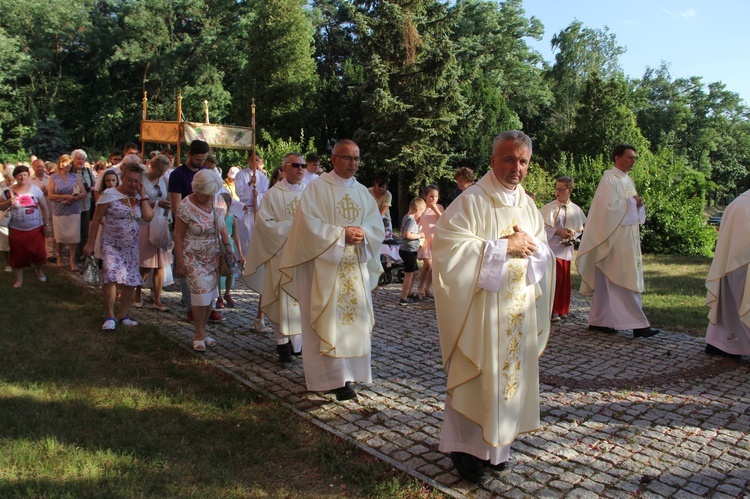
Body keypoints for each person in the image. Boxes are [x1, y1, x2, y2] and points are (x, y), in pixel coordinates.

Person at [432, 131, 554, 483]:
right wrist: (501, 248)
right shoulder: (472, 201)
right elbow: (447, 248)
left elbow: (543, 250)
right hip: (481, 313)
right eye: (509, 159)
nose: (516, 167)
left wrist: (533, 247)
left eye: (523, 161)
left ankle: (496, 449)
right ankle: (463, 447)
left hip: (516, 310)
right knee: (479, 377)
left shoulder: (529, 205)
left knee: (508, 382)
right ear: (492, 161)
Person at [279, 139, 384, 401]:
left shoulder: (362, 192)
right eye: (348, 158)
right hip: (325, 269)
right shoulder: (316, 189)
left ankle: (352, 374)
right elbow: (306, 227)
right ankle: (331, 379)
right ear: (334, 159)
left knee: (352, 321)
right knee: (327, 320)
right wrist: (340, 235)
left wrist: (364, 232)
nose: (353, 164)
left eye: (357, 158)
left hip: (354, 268)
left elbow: (375, 224)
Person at [576, 144, 662, 338]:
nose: (633, 161)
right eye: (630, 157)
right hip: (613, 239)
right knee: (621, 278)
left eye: (634, 158)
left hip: (626, 238)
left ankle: (599, 320)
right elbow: (607, 210)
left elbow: (627, 208)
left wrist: (637, 204)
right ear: (617, 158)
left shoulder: (627, 179)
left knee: (608, 281)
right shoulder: (609, 179)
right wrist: (632, 203)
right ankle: (638, 324)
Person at [244, 153, 307, 363]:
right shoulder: (273, 194)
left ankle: (298, 346)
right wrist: (294, 228)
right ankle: (282, 345)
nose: (301, 169)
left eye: (303, 165)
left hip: (303, 256)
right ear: (285, 168)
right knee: (281, 301)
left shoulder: (309, 193)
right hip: (279, 255)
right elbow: (265, 225)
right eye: (296, 165)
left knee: (301, 300)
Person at [84, 159, 154, 330]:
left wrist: (143, 195)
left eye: (137, 181)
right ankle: (109, 316)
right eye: (130, 180)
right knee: (111, 275)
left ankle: (123, 314)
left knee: (130, 279)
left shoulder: (138, 198)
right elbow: (96, 220)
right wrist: (90, 243)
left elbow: (148, 217)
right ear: (123, 178)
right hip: (111, 243)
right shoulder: (109, 194)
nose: (133, 184)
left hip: (131, 245)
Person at [173, 170, 236, 352]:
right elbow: (178, 237)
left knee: (210, 296)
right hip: (192, 254)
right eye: (204, 194)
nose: (207, 198)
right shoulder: (185, 206)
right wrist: (179, 262)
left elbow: (222, 225)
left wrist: (227, 244)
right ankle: (198, 334)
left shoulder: (218, 201)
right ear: (196, 188)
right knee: (200, 294)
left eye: (210, 194)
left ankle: (204, 331)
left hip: (214, 254)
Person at [168, 139, 223, 323]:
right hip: (189, 226)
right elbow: (176, 206)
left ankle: (208, 307)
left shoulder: (205, 173)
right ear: (190, 155)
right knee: (190, 278)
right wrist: (192, 215)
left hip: (208, 239)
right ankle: (191, 306)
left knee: (208, 284)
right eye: (198, 160)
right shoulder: (178, 175)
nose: (201, 163)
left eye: (204, 160)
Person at [704, 189, 750, 358]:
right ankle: (724, 344)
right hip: (742, 263)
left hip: (732, 262)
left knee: (729, 304)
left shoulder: (739, 203)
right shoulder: (744, 205)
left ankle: (721, 343)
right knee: (740, 304)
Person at [540, 176, 586, 322]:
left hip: (566, 249)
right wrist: (558, 231)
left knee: (564, 279)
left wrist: (573, 234)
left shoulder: (576, 209)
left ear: (569, 190)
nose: (557, 192)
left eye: (561, 189)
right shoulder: (548, 208)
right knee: (554, 278)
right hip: (552, 248)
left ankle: (561, 309)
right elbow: (542, 227)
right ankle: (551, 309)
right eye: (556, 189)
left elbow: (580, 226)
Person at [235, 153, 272, 332]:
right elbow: (239, 191)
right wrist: (249, 186)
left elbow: (266, 192)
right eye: (254, 160)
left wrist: (260, 194)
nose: (257, 163)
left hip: (257, 210)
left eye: (259, 160)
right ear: (249, 160)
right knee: (246, 237)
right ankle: (244, 259)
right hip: (247, 209)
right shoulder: (241, 174)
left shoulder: (263, 177)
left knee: (255, 238)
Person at [0, 165, 50, 287]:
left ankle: (39, 271)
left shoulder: (35, 190)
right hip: (16, 229)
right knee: (18, 254)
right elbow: (0, 207)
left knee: (39, 253)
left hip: (35, 227)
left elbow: (44, 208)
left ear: (28, 176)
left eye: (25, 175)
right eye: (19, 175)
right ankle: (19, 280)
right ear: (15, 177)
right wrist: (8, 202)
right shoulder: (8, 191)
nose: (22, 177)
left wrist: (46, 224)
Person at [134, 155, 173, 311]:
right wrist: (156, 203)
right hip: (145, 223)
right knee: (146, 264)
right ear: (151, 166)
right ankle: (136, 292)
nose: (161, 173)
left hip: (160, 223)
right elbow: (137, 201)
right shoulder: (141, 181)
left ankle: (157, 298)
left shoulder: (164, 181)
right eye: (159, 169)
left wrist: (167, 210)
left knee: (160, 265)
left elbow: (169, 198)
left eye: (164, 170)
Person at [48, 154, 87, 272]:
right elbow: (50, 195)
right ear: (60, 163)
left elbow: (83, 193)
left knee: (73, 236)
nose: (68, 165)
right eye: (66, 163)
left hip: (73, 209)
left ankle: (72, 260)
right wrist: (65, 196)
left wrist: (73, 198)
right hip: (59, 211)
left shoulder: (75, 176)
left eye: (70, 163)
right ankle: (59, 257)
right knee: (60, 236)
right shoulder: (53, 177)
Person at [416, 184, 443, 300]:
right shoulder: (422, 209)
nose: (433, 199)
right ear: (425, 196)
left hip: (436, 241)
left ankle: (428, 288)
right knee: (428, 265)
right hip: (426, 241)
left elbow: (444, 220)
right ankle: (420, 287)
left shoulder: (440, 207)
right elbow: (416, 221)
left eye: (436, 196)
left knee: (434, 266)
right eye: (431, 196)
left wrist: (435, 209)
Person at [398, 198, 425, 305]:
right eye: (421, 212)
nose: (421, 215)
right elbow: (407, 235)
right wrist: (420, 235)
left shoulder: (406, 217)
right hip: (408, 250)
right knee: (409, 274)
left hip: (409, 250)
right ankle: (403, 298)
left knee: (415, 272)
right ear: (417, 210)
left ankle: (409, 292)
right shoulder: (411, 220)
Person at [71, 149, 95, 262]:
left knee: (85, 231)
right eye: (78, 159)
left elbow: (96, 185)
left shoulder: (88, 171)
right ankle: (73, 255)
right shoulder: (70, 171)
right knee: (74, 231)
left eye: (82, 159)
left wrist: (90, 189)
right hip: (73, 205)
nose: (81, 161)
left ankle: (82, 254)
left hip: (86, 205)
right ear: (73, 160)